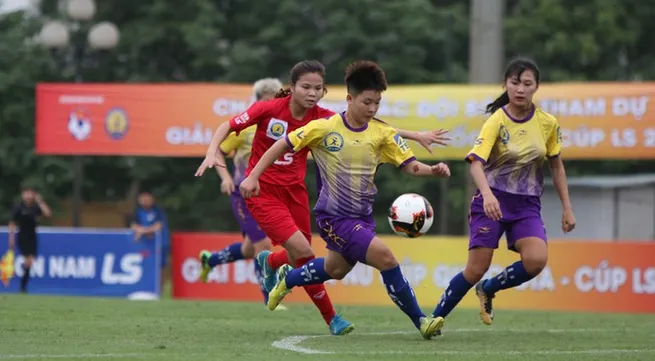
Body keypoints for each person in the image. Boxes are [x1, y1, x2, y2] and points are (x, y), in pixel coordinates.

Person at [194, 60, 448, 336]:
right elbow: (248, 133)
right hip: (270, 194)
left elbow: (378, 128)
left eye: (318, 88)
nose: (312, 93)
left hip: (299, 193)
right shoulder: (288, 115)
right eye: (306, 87)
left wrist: (418, 140)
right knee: (337, 254)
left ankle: (275, 267)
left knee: (334, 269)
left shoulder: (325, 118)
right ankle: (410, 321)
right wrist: (223, 158)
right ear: (292, 88)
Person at [431, 57, 575, 331]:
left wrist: (567, 207)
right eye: (515, 82)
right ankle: (434, 320)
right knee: (475, 269)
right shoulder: (496, 121)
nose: (520, 89)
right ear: (506, 85)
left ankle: (489, 289)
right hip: (492, 201)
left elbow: (556, 166)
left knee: (536, 261)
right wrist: (487, 195)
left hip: (526, 205)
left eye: (527, 83)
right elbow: (475, 163)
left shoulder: (548, 123)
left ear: (536, 87)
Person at [199, 78, 287, 310]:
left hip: (268, 193)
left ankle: (212, 260)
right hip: (243, 193)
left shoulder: (281, 126)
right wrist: (226, 178)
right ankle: (269, 298)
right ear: (257, 102)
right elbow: (217, 149)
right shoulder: (246, 126)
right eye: (267, 101)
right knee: (263, 243)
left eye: (276, 100)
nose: (272, 106)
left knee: (250, 248)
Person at [8, 187, 52, 293]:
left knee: (30, 262)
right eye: (26, 193)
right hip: (23, 236)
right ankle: (22, 287)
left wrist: (40, 201)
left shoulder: (36, 207)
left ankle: (23, 286)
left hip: (33, 236)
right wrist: (11, 237)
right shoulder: (19, 207)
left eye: (30, 193)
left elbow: (48, 213)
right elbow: (12, 223)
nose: (28, 196)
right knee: (28, 260)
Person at [131, 191, 169, 291]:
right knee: (145, 264)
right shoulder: (137, 212)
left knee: (160, 265)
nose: (144, 201)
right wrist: (141, 231)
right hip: (145, 244)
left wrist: (144, 231)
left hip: (160, 244)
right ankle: (146, 287)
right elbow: (134, 225)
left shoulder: (157, 211)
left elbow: (159, 225)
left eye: (147, 198)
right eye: (142, 198)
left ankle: (160, 288)